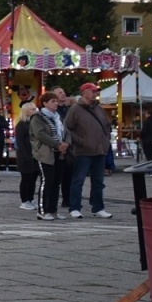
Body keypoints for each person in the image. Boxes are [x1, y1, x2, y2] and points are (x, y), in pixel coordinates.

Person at [66, 82, 113, 219]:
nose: (95, 93)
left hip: (100, 150)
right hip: (83, 151)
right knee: (78, 180)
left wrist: (106, 140)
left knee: (99, 181)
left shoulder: (99, 109)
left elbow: (107, 126)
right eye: (93, 91)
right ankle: (74, 207)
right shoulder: (75, 109)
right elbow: (67, 128)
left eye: (96, 91)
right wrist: (80, 141)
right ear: (84, 92)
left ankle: (98, 207)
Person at [29, 92, 68, 221]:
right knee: (47, 181)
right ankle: (42, 210)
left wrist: (66, 143)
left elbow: (65, 131)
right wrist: (56, 144)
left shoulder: (58, 117)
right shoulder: (38, 117)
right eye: (53, 101)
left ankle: (52, 209)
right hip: (45, 153)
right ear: (45, 103)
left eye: (56, 101)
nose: (56, 103)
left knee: (56, 182)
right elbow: (40, 134)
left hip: (59, 154)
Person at [14, 103, 40, 210]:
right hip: (25, 155)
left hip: (35, 155)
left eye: (35, 109)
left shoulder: (34, 124)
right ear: (26, 111)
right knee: (26, 179)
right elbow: (20, 142)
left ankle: (30, 198)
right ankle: (24, 200)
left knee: (33, 179)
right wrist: (25, 156)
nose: (35, 111)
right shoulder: (21, 125)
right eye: (32, 109)